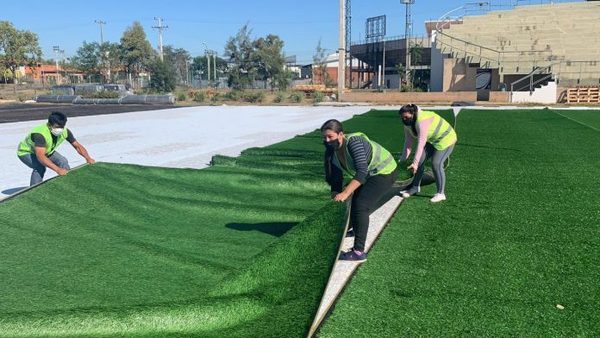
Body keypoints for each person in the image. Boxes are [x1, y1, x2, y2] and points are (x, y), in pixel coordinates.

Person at [321, 119, 398, 262]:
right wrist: (335, 193)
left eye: (330, 136)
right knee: (354, 198)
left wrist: (345, 193)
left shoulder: (354, 143)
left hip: (385, 171)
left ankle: (358, 252)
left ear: (340, 134)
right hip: (370, 173)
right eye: (324, 137)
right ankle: (356, 228)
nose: (327, 140)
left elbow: (361, 172)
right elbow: (336, 176)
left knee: (361, 205)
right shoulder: (332, 151)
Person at [17, 111, 95, 186]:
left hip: (47, 151)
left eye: (62, 127)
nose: (60, 129)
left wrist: (88, 158)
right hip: (26, 152)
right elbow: (40, 156)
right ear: (49, 125)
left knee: (63, 161)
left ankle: (68, 185)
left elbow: (77, 146)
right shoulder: (40, 134)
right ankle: (33, 191)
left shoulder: (65, 131)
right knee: (39, 167)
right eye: (57, 127)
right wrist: (57, 169)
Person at [398, 104, 457, 203]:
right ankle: (415, 187)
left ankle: (441, 193)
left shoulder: (422, 121)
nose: (404, 119)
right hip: (432, 140)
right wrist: (403, 160)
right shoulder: (407, 124)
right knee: (420, 160)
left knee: (436, 163)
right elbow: (408, 142)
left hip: (446, 139)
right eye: (402, 117)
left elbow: (421, 144)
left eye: (406, 117)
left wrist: (415, 163)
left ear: (413, 114)